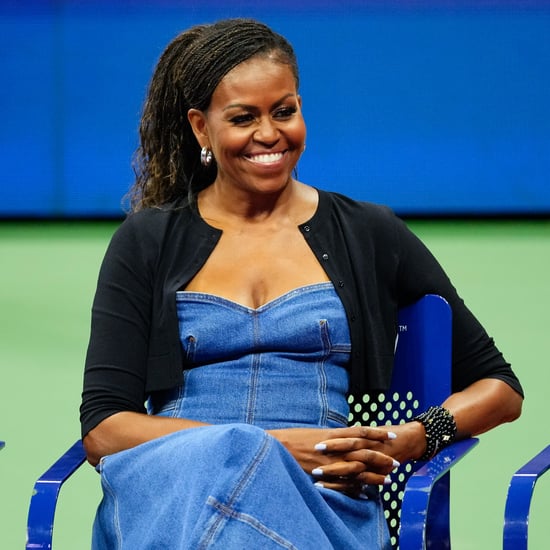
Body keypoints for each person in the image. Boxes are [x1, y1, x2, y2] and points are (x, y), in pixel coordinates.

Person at [80, 18, 523, 549]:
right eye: (244, 117)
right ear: (201, 128)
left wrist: (413, 437)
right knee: (245, 455)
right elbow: (105, 429)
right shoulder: (147, 239)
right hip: (173, 492)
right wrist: (263, 446)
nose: (269, 134)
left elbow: (498, 387)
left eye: (284, 111)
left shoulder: (368, 231)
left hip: (321, 497)